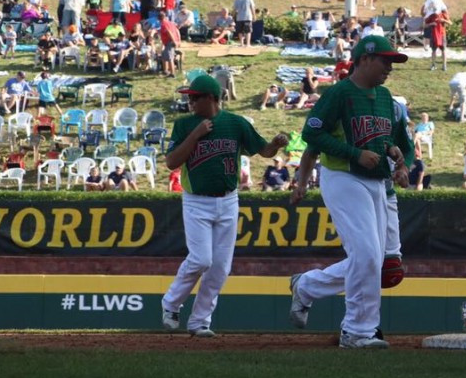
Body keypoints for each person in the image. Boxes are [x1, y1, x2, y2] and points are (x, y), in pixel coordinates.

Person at [288, 36, 412, 349]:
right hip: (342, 176)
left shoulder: (385, 98)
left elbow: (388, 142)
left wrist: (398, 160)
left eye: (391, 62)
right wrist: (353, 153)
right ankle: (358, 331)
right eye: (385, 60)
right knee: (368, 256)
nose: (389, 67)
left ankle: (307, 287)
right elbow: (311, 134)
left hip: (377, 181)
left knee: (374, 261)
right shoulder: (339, 93)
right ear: (364, 59)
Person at [161, 74, 289, 337]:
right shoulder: (185, 125)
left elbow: (262, 151)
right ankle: (171, 303)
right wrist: (196, 135)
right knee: (201, 259)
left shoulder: (235, 123)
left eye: (195, 98)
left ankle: (200, 322)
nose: (190, 102)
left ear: (211, 98)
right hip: (197, 200)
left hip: (228, 200)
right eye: (189, 97)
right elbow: (172, 162)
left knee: (220, 267)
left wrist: (275, 145)